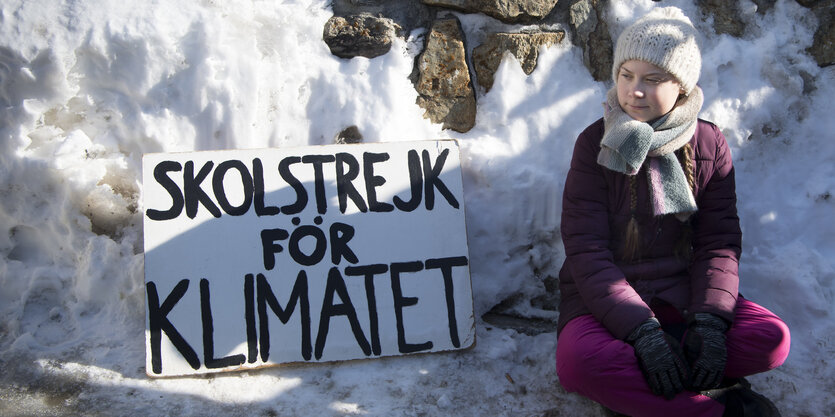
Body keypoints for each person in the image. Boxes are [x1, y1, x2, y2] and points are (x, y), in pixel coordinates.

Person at [554, 7, 790, 417]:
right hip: (605, 301)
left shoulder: (709, 143)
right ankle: (720, 406)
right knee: (579, 365)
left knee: (772, 339)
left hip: (685, 295)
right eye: (626, 75)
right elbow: (586, 251)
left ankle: (659, 388)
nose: (634, 91)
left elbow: (718, 243)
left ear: (682, 86)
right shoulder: (595, 143)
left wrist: (711, 323)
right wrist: (642, 333)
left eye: (653, 78)